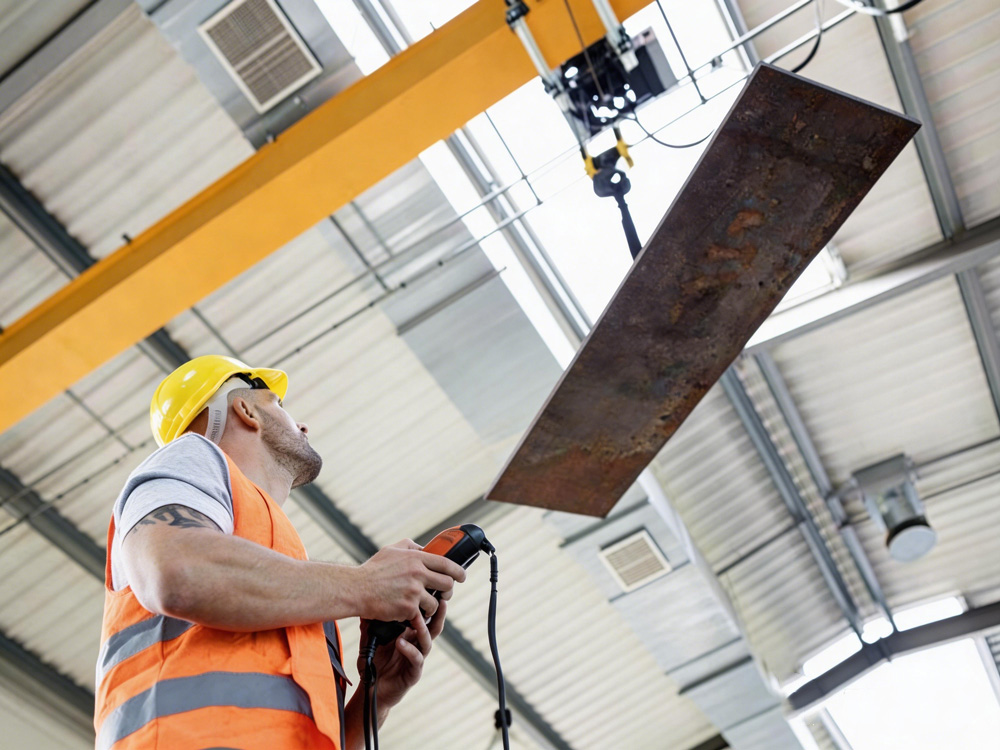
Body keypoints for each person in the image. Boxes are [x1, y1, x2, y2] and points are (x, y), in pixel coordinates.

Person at [94, 354, 466, 749]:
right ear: (245, 410)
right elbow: (177, 574)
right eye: (279, 404)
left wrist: (374, 697)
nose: (302, 426)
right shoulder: (190, 459)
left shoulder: (286, 578)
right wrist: (367, 584)